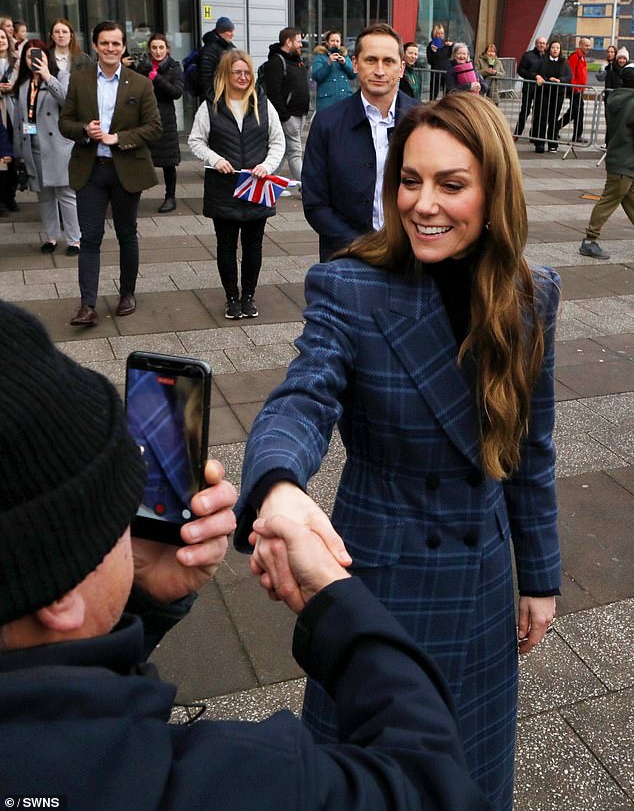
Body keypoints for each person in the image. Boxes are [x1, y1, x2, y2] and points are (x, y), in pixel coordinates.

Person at [0, 299, 490, 811]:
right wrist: (335, 596)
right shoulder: (228, 783)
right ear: (58, 598)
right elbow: (431, 785)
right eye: (116, 513)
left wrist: (141, 596)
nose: (130, 526)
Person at [235, 93, 560, 811]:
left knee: (469, 779)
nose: (423, 204)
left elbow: (531, 451)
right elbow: (302, 396)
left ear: (494, 191)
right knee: (369, 785)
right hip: (383, 583)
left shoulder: (530, 296)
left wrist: (538, 578)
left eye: (451, 184)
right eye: (410, 181)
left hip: (481, 585)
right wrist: (279, 485)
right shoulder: (351, 286)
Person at [59, 20, 162, 327]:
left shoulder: (140, 83)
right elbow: (65, 123)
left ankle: (127, 293)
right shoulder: (79, 81)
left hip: (126, 170)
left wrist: (121, 138)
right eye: (104, 43)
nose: (110, 48)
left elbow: (155, 127)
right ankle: (87, 305)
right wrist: (84, 131)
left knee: (126, 234)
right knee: (89, 237)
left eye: (116, 43)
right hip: (90, 170)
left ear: (123, 46)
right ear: (95, 46)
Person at [302, 22, 419, 262]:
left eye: (388, 61)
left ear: (401, 68)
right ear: (355, 64)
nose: (379, 70)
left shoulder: (425, 121)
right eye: (371, 60)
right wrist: (362, 246)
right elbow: (315, 202)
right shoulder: (327, 123)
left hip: (411, 256)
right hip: (347, 256)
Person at [188, 49, 284, 320]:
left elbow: (278, 141)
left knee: (254, 246)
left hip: (256, 186)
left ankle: (248, 296)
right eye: (237, 72)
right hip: (224, 188)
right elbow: (196, 140)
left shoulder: (263, 104)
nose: (243, 77)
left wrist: (266, 166)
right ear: (226, 75)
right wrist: (215, 158)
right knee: (226, 246)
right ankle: (231, 297)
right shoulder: (211, 105)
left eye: (246, 72)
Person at [12, 40, 81, 255]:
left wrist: (47, 77)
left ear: (46, 57)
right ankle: (51, 237)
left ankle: (74, 240)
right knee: (43, 196)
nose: (33, 60)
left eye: (39, 55)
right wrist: (18, 151)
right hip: (33, 146)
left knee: (66, 195)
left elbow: (67, 102)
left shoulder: (60, 77)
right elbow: (19, 120)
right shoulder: (23, 84)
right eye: (28, 56)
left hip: (57, 146)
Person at [579, 63, 634, 261]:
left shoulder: (616, 97)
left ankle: (589, 240)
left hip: (620, 159)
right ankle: (589, 240)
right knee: (608, 200)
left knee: (631, 200)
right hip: (625, 162)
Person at [135, 32, 184, 213]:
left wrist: (157, 78)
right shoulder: (142, 67)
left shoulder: (174, 67)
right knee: (139, 158)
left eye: (161, 47)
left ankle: (170, 197)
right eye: (154, 48)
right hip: (144, 118)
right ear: (149, 49)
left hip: (165, 119)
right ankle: (134, 195)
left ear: (167, 49)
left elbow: (176, 92)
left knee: (168, 162)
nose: (157, 51)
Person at [259, 26, 309, 192]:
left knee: (283, 152)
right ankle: (308, 189)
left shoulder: (296, 61)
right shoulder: (276, 62)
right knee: (295, 152)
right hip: (288, 116)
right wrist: (285, 116)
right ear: (288, 42)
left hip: (299, 115)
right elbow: (273, 93)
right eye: (298, 41)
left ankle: (266, 183)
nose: (301, 44)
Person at [531, 40, 571, 153]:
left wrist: (559, 80)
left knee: (553, 119)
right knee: (542, 117)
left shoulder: (564, 62)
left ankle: (552, 143)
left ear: (560, 50)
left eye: (557, 48)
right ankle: (540, 143)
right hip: (544, 93)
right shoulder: (543, 61)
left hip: (557, 95)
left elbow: (568, 77)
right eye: (553, 47)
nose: (555, 50)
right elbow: (532, 72)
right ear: (549, 49)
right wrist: (537, 76)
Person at [556, 36, 591, 143]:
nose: (588, 47)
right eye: (586, 45)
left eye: (589, 46)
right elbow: (570, 74)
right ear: (580, 45)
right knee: (577, 111)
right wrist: (575, 88)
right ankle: (575, 134)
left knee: (574, 112)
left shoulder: (582, 57)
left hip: (579, 89)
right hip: (575, 90)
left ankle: (556, 128)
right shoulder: (575, 56)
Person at [311, 30, 356, 111]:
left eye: (337, 41)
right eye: (332, 41)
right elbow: (317, 76)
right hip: (327, 102)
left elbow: (353, 74)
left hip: (344, 100)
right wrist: (328, 63)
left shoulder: (345, 56)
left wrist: (344, 64)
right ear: (327, 42)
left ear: (340, 43)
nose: (335, 43)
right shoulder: (320, 56)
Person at [0, 25, 19, 212]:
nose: (0, 41)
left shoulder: (17, 62)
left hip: (14, 112)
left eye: (3, 38)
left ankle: (10, 195)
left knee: (14, 154)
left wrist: (11, 88)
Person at [513, 36, 547, 139]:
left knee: (538, 112)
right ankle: (517, 133)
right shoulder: (528, 56)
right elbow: (521, 70)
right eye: (539, 43)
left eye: (543, 43)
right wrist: (534, 76)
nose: (541, 45)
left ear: (546, 45)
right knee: (525, 111)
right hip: (529, 88)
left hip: (542, 90)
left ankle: (534, 135)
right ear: (536, 44)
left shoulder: (547, 57)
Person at [196, 15, 235, 101]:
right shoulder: (210, 49)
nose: (233, 34)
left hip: (224, 95)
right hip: (214, 97)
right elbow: (205, 79)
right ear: (221, 32)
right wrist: (212, 99)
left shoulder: (226, 47)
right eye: (229, 31)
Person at [426, 23, 453, 99]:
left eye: (442, 33)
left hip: (447, 72)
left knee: (448, 94)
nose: (440, 35)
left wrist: (453, 45)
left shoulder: (447, 44)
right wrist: (434, 52)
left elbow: (456, 52)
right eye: (438, 33)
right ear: (435, 33)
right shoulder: (431, 45)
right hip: (436, 73)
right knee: (434, 94)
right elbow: (430, 61)